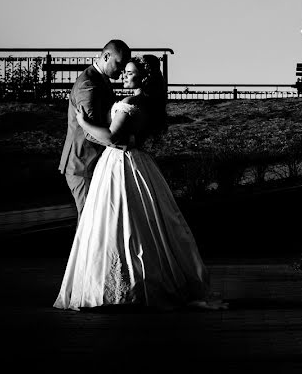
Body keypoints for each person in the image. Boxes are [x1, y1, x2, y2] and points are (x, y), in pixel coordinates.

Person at [54, 55, 222, 311]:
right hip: (137, 162)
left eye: (129, 73)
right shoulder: (148, 104)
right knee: (140, 223)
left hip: (120, 163)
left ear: (142, 78)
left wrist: (84, 123)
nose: (123, 75)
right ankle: (137, 280)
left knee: (115, 222)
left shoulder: (131, 102)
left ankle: (121, 286)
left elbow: (113, 138)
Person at [59, 39, 131, 222]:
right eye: (119, 64)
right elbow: (89, 130)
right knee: (88, 223)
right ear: (106, 56)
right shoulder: (88, 85)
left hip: (93, 162)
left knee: (97, 222)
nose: (121, 70)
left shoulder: (101, 80)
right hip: (82, 165)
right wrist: (120, 142)